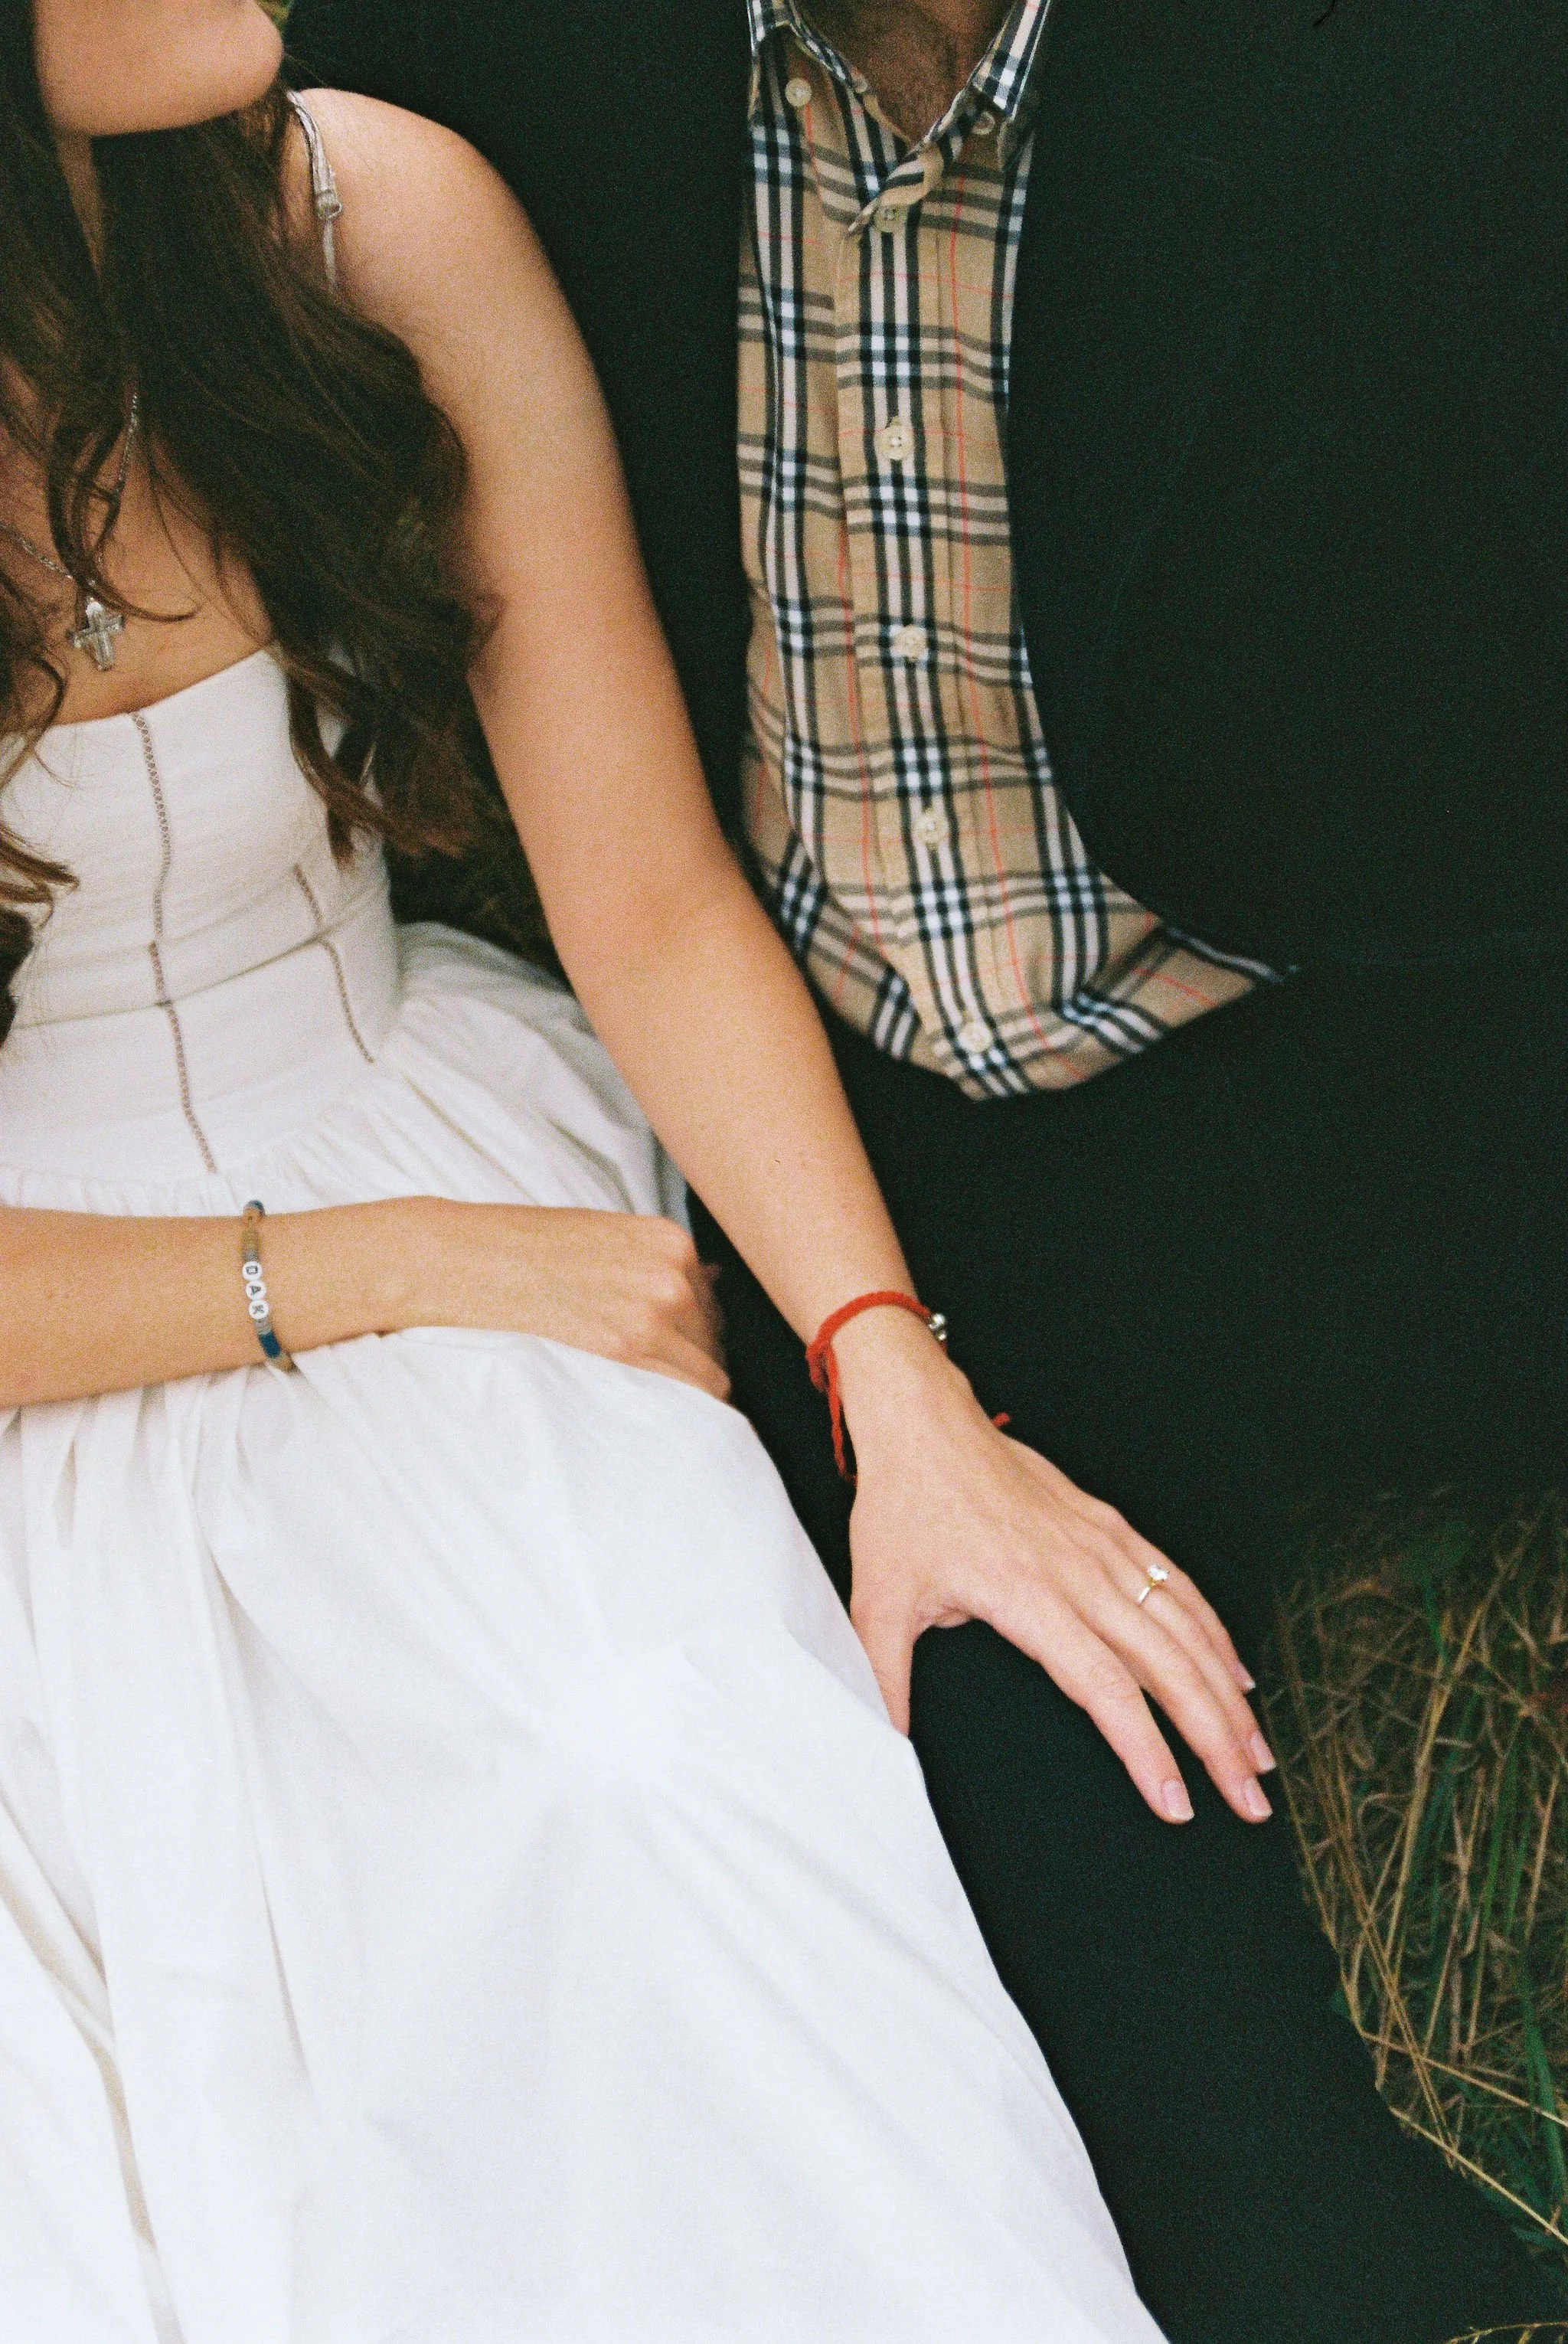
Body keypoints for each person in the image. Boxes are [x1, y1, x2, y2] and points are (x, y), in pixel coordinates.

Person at [283, 2, 1568, 2340]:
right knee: (1101, 1967)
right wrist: (903, 1386)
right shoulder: (495, 73)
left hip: (1352, 1048)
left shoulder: (1419, 70)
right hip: (867, 1154)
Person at [0, 0, 1274, 2335]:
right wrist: (384, 1263)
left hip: (430, 1128)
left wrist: (898, 1389)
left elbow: (655, 895)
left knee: (633, 1775)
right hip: (66, 1319)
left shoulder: (364, 221)